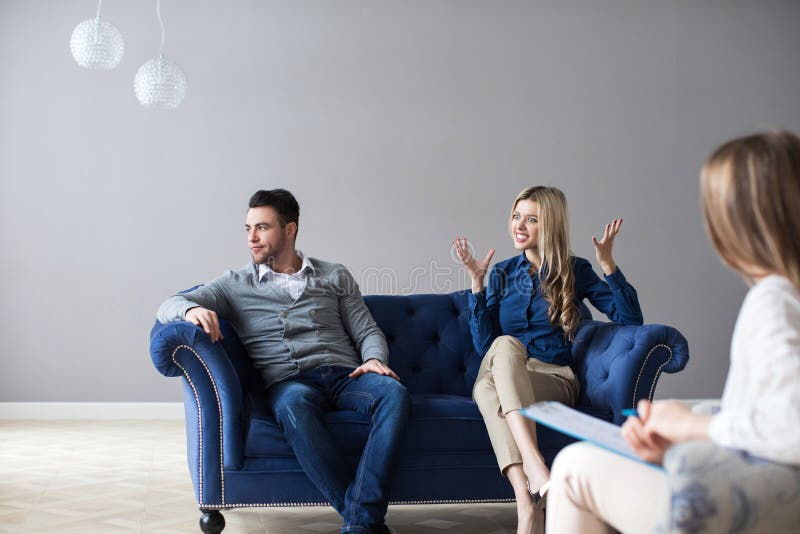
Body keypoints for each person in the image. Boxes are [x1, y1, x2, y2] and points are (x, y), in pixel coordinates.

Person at [546, 130, 800, 533]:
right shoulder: (504, 276)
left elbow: (790, 426)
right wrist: (683, 438)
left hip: (752, 502)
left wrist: (691, 426)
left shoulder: (773, 300)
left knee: (574, 467)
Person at [157, 189, 409, 534]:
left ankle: (359, 521)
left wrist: (374, 359)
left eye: (262, 228)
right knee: (292, 406)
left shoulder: (334, 275)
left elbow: (367, 330)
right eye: (248, 229)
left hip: (347, 376)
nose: (252, 238)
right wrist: (191, 310)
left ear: (290, 230)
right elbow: (168, 304)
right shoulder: (234, 284)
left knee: (393, 393)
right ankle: (363, 520)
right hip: (291, 382)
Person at [454, 185, 643, 534]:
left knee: (486, 391)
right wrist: (477, 285)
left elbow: (631, 320)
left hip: (552, 378)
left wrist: (609, 265)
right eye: (516, 216)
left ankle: (531, 477)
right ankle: (528, 502)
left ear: (551, 225)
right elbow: (484, 346)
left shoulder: (575, 270)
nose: (518, 225)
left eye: (531, 219)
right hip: (504, 369)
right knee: (500, 356)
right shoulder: (501, 274)